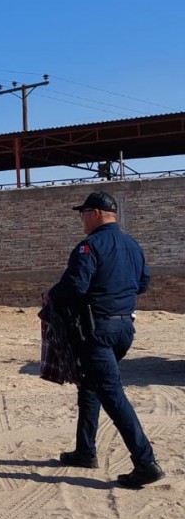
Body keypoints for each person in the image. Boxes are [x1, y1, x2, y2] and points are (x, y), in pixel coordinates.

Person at [47, 191, 164, 488]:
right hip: (124, 329)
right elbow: (144, 283)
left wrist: (52, 296)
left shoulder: (90, 246)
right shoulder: (132, 245)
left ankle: (145, 461)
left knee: (111, 394)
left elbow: (74, 285)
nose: (81, 219)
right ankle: (85, 450)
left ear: (95, 213)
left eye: (83, 213)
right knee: (91, 384)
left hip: (96, 331)